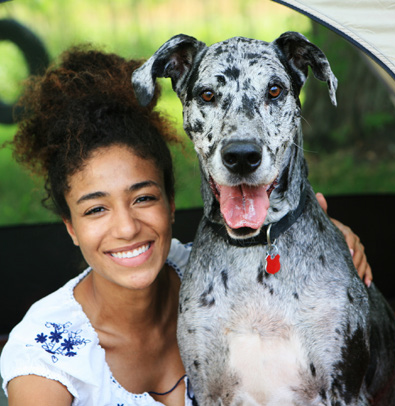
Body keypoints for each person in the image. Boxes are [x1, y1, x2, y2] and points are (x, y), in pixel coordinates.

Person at [0, 46, 371, 406]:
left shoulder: (204, 269)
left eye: (143, 198)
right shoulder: (44, 357)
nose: (127, 228)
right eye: (96, 209)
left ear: (172, 203)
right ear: (70, 227)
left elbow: (271, 251)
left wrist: (331, 233)